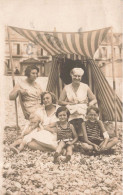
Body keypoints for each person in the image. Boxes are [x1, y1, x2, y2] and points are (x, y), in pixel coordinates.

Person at [59, 67, 97, 141]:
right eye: (75, 76)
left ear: (81, 77)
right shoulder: (67, 87)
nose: (77, 78)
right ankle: (74, 136)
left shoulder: (85, 87)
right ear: (71, 75)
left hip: (83, 109)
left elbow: (94, 99)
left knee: (82, 118)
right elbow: (60, 101)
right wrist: (69, 103)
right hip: (71, 109)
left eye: (79, 76)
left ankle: (82, 135)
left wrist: (89, 104)